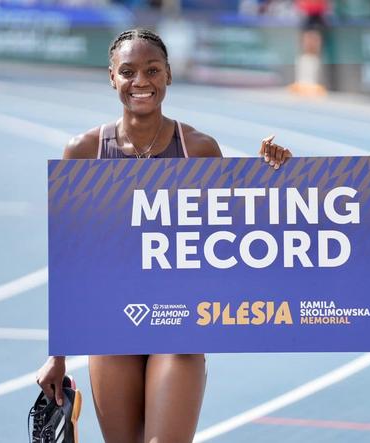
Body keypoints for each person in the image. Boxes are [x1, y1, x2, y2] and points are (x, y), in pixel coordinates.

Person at [36, 28, 292, 443]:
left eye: (152, 70)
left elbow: (235, 235)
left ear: (168, 75)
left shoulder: (198, 149)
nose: (141, 82)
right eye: (128, 71)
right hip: (110, 325)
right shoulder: (82, 152)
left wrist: (274, 177)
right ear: (112, 77)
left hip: (179, 326)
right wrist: (57, 355)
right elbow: (70, 261)